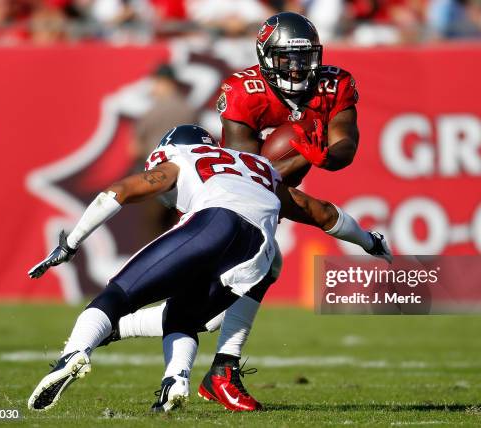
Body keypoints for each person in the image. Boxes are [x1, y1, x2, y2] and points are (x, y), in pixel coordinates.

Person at [110, 12, 391, 412]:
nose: (296, 67)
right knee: (215, 301)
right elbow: (246, 177)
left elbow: (345, 143)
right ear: (265, 56)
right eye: (286, 58)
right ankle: (127, 331)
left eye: (304, 57)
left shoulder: (335, 82)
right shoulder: (245, 90)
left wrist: (323, 154)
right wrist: (297, 155)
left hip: (262, 190)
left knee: (246, 280)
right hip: (232, 196)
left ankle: (216, 368)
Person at [27, 125, 283, 412]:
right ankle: (175, 381)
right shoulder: (258, 169)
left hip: (214, 225)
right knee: (183, 316)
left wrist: (70, 244)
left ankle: (74, 353)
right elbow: (321, 212)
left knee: (118, 295)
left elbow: (118, 191)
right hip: (259, 251)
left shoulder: (183, 157)